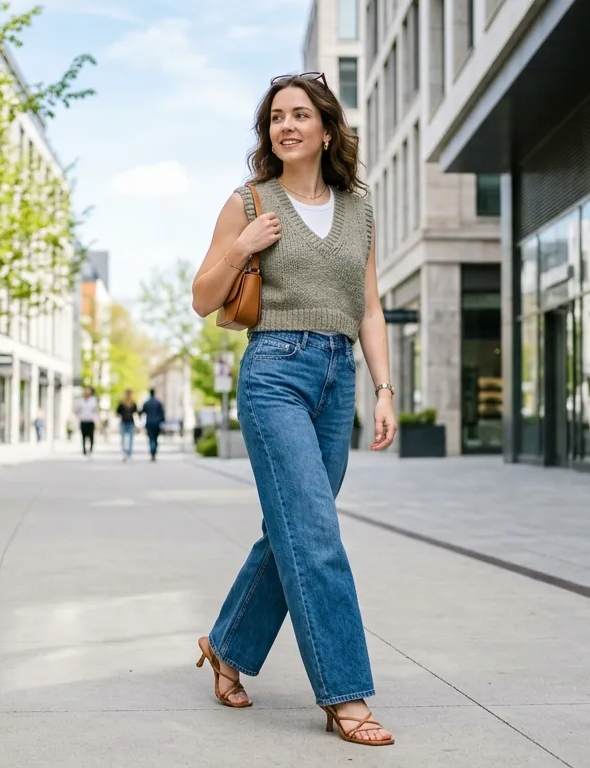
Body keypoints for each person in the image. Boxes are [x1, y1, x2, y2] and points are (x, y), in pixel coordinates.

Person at [188, 71, 398, 747]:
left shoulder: (358, 209)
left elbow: (368, 306)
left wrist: (384, 388)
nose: (286, 125)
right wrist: (242, 249)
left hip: (339, 378)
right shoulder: (249, 203)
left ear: (327, 129)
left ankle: (226, 645)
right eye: (276, 116)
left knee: (293, 529)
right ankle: (346, 695)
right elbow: (202, 296)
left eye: (300, 115)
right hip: (275, 370)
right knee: (315, 534)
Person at [141, 388, 166, 461]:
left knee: (151, 438)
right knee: (155, 438)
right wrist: (162, 421)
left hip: (149, 423)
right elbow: (162, 413)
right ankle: (154, 452)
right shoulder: (158, 402)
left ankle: (152, 452)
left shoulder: (147, 403)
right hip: (157, 423)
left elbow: (142, 412)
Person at [116, 389, 139, 461]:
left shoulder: (133, 403)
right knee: (123, 439)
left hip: (131, 422)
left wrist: (137, 425)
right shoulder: (121, 403)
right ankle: (124, 452)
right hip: (123, 422)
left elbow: (135, 414)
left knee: (130, 439)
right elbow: (117, 413)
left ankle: (129, 453)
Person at [76, 387, 98, 457]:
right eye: (85, 393)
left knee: (91, 436)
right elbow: (77, 411)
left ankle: (91, 449)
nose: (86, 394)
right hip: (83, 420)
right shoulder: (80, 401)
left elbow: (96, 411)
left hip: (90, 421)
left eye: (87, 393)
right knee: (83, 436)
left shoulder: (93, 401)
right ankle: (84, 450)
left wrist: (96, 420)